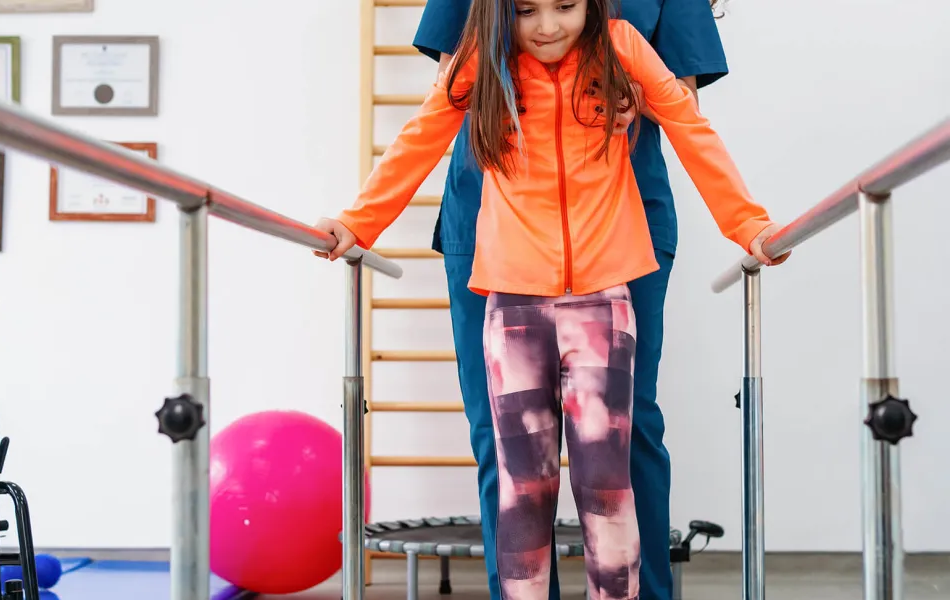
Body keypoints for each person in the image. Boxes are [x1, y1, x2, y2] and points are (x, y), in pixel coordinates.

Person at [314, 0, 788, 597]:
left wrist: (750, 225)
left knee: (607, 482)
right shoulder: (481, 57)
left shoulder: (621, 45)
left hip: (602, 300)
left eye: (565, 6)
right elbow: (422, 135)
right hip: (512, 303)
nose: (546, 26)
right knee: (522, 485)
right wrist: (356, 224)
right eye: (527, 10)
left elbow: (691, 128)